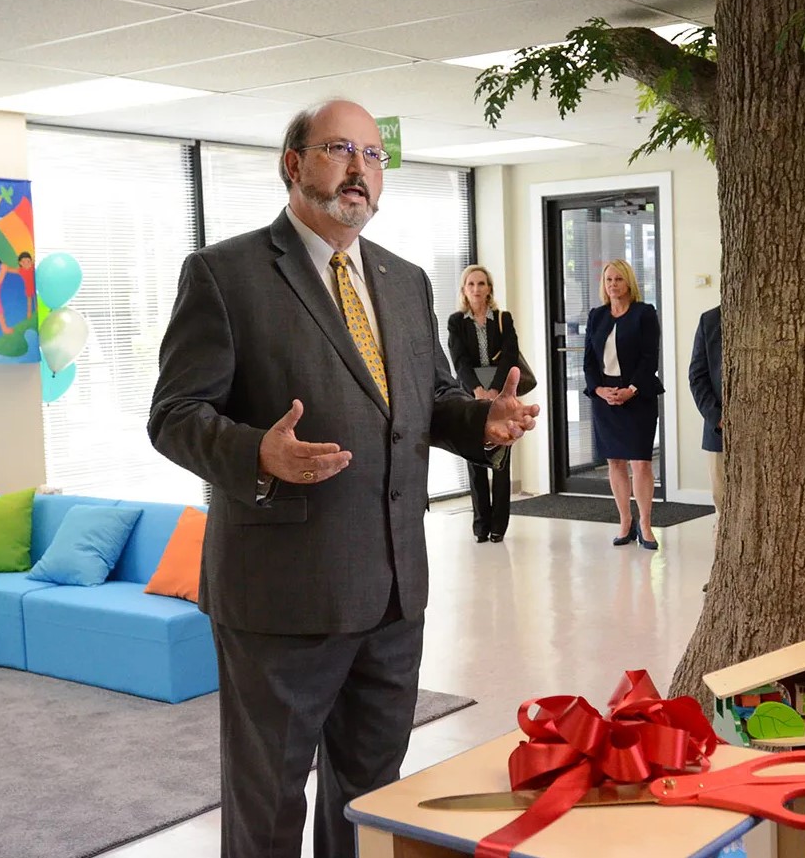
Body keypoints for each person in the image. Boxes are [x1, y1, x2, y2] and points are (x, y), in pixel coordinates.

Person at [147, 99, 538, 858]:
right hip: (281, 598)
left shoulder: (404, 279)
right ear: (293, 164)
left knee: (370, 800)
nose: (360, 168)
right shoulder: (225, 274)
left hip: (393, 593)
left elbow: (426, 401)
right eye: (339, 149)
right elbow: (173, 415)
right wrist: (259, 453)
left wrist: (479, 420)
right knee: (268, 804)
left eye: (372, 154)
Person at [583, 259, 664, 550]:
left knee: (640, 462)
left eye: (618, 279)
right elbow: (589, 361)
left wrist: (631, 390)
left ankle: (646, 524)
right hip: (605, 398)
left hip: (637, 396)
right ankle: (625, 522)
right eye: (608, 280)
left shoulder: (644, 313)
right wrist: (598, 389)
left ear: (628, 282)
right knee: (615, 461)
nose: (613, 284)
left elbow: (649, 358)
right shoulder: (597, 316)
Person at [448, 265, 518, 543]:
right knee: (473, 456)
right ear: (464, 290)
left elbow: (510, 355)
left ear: (489, 288)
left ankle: (499, 526)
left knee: (500, 457)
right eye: (471, 284)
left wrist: (495, 390)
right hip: (470, 393)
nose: (476, 289)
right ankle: (481, 525)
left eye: (481, 283)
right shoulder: (456, 321)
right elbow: (459, 359)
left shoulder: (503, 318)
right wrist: (477, 389)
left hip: (501, 393)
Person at [688, 305, 723, 514]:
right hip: (719, 431)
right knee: (723, 502)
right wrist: (716, 417)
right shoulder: (709, 320)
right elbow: (697, 376)